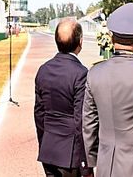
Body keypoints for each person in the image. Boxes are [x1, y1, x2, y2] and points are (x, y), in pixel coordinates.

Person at [82, 2, 133, 177]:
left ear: (112, 39)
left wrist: (90, 163)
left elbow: (89, 123)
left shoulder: (95, 72)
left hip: (105, 162)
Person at [34, 18, 91, 177]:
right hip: (70, 153)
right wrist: (86, 165)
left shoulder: (43, 70)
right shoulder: (81, 73)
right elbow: (81, 121)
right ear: (80, 41)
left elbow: (39, 114)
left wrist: (44, 143)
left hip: (49, 148)